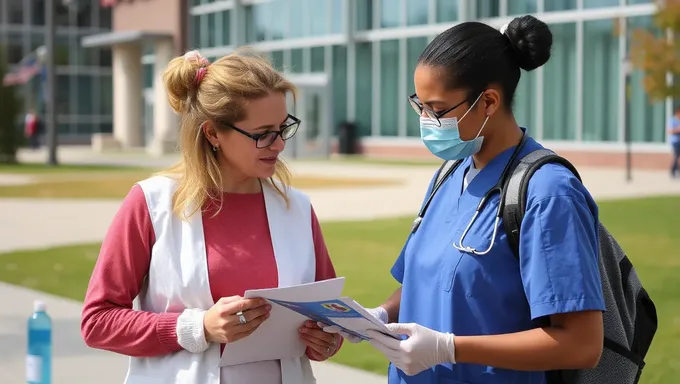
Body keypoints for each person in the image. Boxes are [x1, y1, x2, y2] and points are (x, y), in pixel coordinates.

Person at [322, 15, 605, 383]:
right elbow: (427, 282)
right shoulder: (449, 175)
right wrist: (379, 316)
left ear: (488, 101)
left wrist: (449, 348)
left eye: (437, 110)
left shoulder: (547, 193)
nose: (426, 121)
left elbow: (581, 345)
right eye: (419, 106)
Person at [81, 49, 342, 384]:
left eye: (283, 127)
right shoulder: (152, 202)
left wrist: (325, 341)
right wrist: (198, 327)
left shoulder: (298, 208)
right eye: (263, 133)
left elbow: (329, 320)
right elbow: (98, 322)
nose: (278, 145)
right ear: (213, 133)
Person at [667, 106, 680, 178]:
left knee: (677, 156)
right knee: (676, 156)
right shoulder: (672, 120)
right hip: (675, 141)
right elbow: (669, 130)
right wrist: (677, 130)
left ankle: (675, 170)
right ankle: (673, 171)